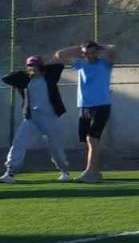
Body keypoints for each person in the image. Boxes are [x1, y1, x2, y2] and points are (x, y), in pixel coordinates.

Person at [52, 40, 116, 183]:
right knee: (88, 141)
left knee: (92, 139)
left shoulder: (105, 64)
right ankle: (95, 172)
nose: (90, 56)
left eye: (93, 53)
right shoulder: (80, 64)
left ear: (97, 52)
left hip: (101, 106)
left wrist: (98, 47)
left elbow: (113, 49)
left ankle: (90, 172)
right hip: (84, 106)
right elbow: (59, 55)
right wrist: (80, 48)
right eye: (87, 54)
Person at [1, 54, 71, 183]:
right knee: (19, 143)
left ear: (41, 67)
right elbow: (6, 78)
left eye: (35, 66)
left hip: (50, 117)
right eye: (30, 66)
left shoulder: (50, 77)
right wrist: (24, 72)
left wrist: (44, 67)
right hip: (31, 118)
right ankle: (9, 172)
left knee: (55, 146)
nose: (33, 68)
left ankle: (64, 171)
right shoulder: (24, 80)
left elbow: (59, 65)